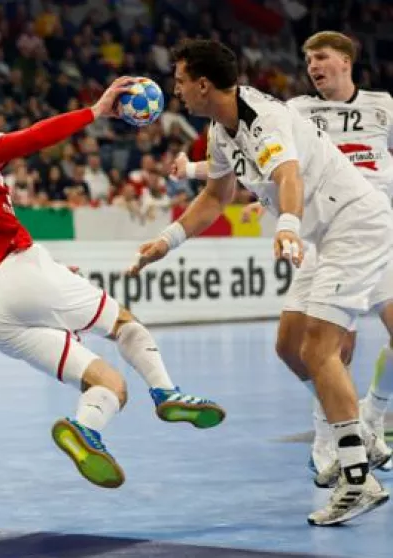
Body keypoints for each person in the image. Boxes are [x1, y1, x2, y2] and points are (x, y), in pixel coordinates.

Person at [0, 78, 225, 491]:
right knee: (124, 324)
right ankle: (167, 393)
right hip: (17, 271)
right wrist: (95, 111)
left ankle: (85, 428)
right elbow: (31, 138)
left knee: (110, 385)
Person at [134, 38, 390, 526]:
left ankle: (358, 477)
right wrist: (166, 241)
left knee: (320, 350)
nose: (177, 89)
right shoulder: (220, 129)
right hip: (322, 232)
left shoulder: (261, 115)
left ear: (203, 84)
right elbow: (216, 195)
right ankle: (355, 430)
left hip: (354, 223)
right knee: (290, 346)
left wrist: (288, 227)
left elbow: (288, 174)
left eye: (181, 80)